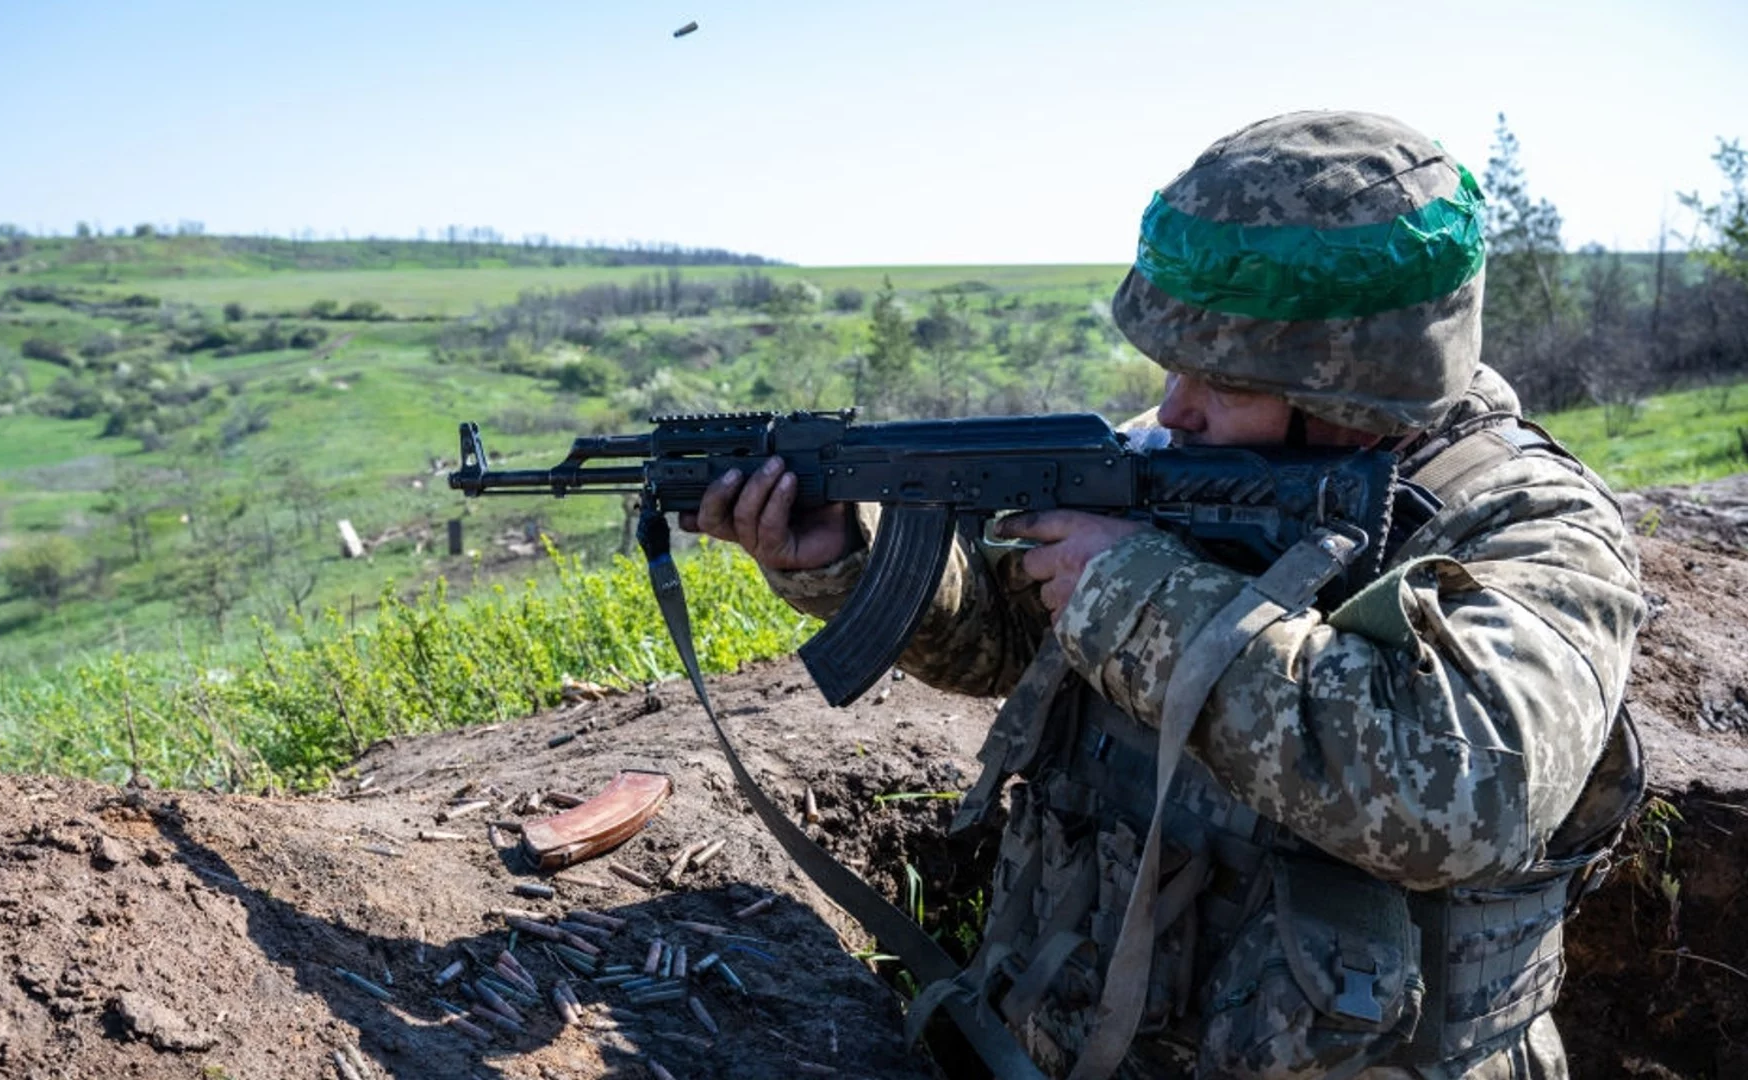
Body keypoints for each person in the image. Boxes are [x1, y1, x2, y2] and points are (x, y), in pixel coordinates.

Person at [684, 111, 1645, 1080]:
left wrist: (1140, 600)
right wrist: (851, 555)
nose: (1174, 408)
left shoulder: (1531, 533)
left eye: (1219, 382)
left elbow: (1467, 797)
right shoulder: (1187, 456)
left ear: (1354, 391)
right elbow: (1011, 639)